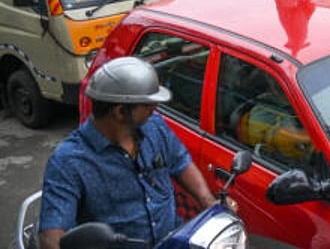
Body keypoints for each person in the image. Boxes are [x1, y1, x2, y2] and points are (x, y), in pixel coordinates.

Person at [39, 57, 220, 249]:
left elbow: (181, 163)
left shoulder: (155, 127)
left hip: (173, 240)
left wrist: (209, 202)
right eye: (147, 105)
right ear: (120, 112)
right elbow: (51, 237)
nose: (154, 109)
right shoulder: (68, 161)